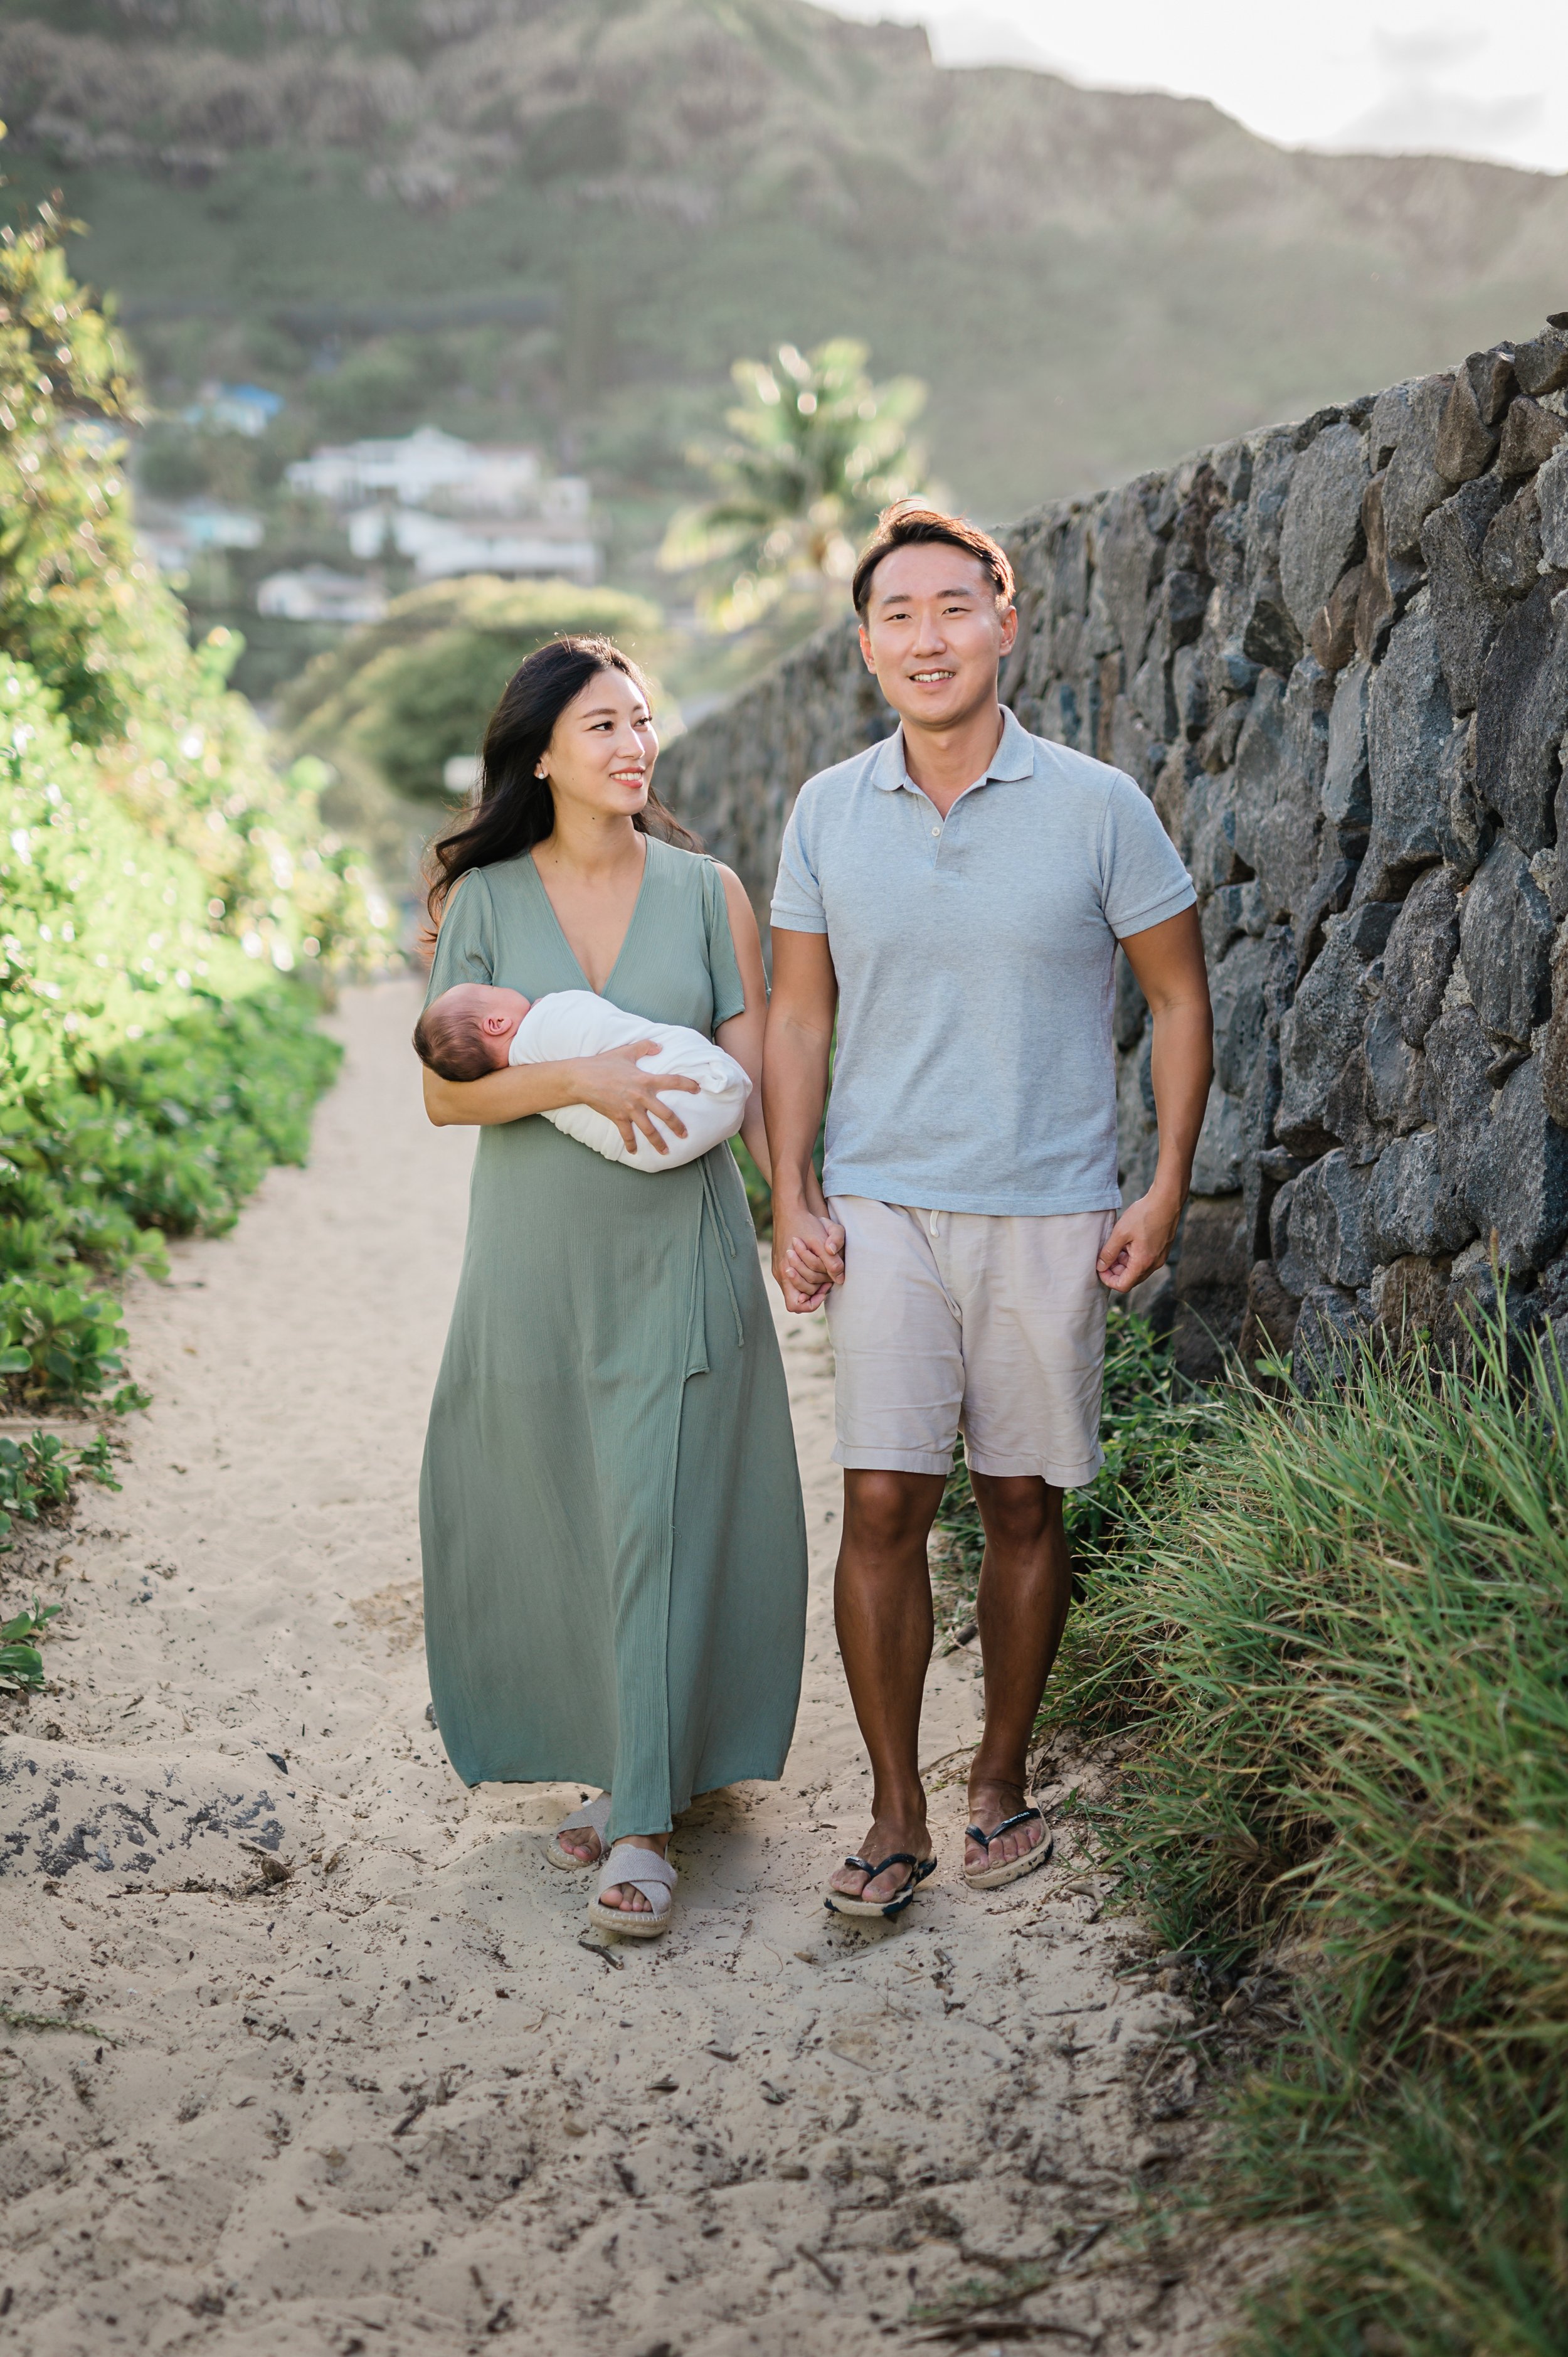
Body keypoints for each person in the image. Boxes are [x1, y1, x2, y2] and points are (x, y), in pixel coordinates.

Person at [764, 504, 1212, 1921]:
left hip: (1050, 1205)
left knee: (1021, 1499)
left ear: (1006, 623)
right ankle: (896, 1805)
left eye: (954, 607)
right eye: (898, 615)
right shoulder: (828, 808)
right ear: (866, 647)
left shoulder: (1098, 803)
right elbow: (796, 1012)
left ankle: (997, 1777)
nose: (927, 636)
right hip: (888, 1200)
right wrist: (794, 1190)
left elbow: (1178, 995)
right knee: (883, 1496)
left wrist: (1163, 1180)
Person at [418, 634, 808, 1939]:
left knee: (659, 1507)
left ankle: (641, 1825)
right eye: (602, 726)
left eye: (642, 720)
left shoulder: (708, 893)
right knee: (571, 1507)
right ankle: (629, 1764)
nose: (634, 744)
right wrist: (575, 1080)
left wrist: (792, 1209)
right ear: (542, 754)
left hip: (675, 1252)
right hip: (532, 1257)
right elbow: (437, 1090)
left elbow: (750, 1069)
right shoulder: (484, 902)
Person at [414, 979, 751, 1170]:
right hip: (698, 1089)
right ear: (496, 1023)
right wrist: (551, 1006)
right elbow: (592, 1017)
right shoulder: (545, 1024)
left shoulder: (523, 1080)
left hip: (654, 1155)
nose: (493, 985)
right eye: (487, 988)